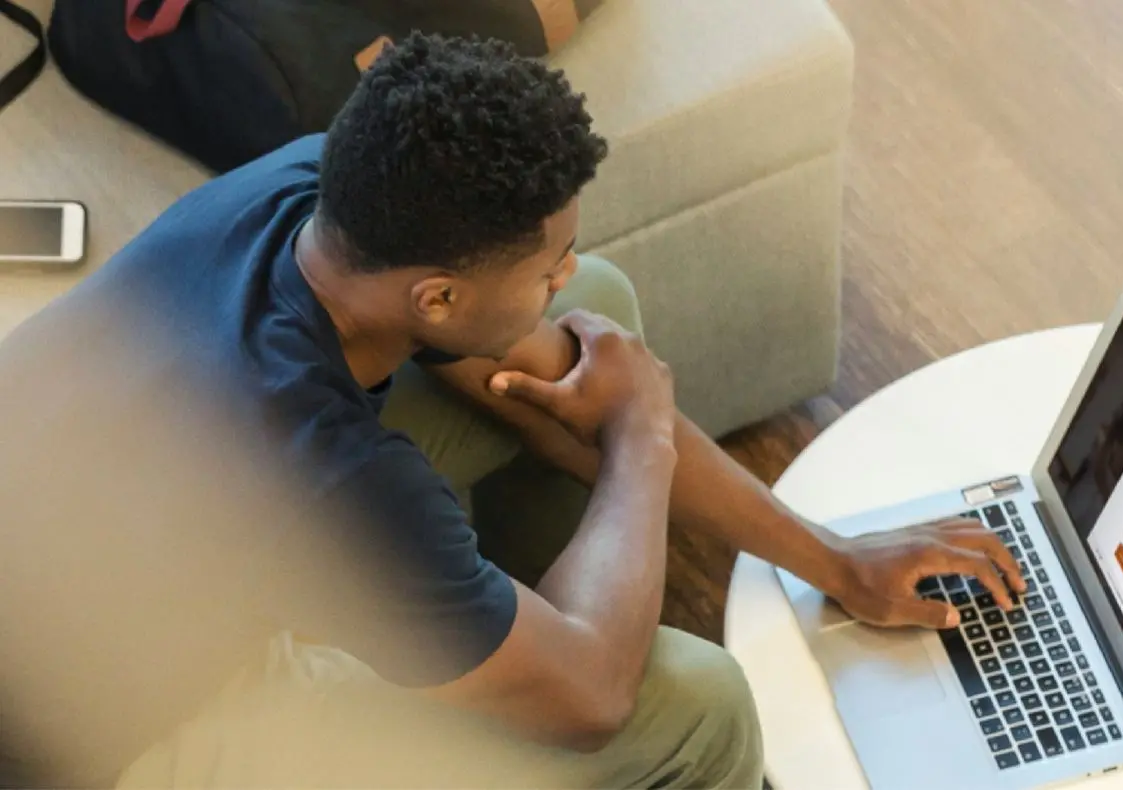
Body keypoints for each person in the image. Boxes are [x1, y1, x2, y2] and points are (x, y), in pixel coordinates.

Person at [0, 33, 1025, 789]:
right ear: (435, 297)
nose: (561, 270)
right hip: (101, 737)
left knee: (599, 318)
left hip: (84, 541)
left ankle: (512, 627)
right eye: (544, 263)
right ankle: (527, 653)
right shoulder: (328, 472)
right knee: (695, 704)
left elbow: (576, 362)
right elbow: (594, 701)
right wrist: (643, 444)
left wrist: (836, 560)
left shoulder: (326, 188)